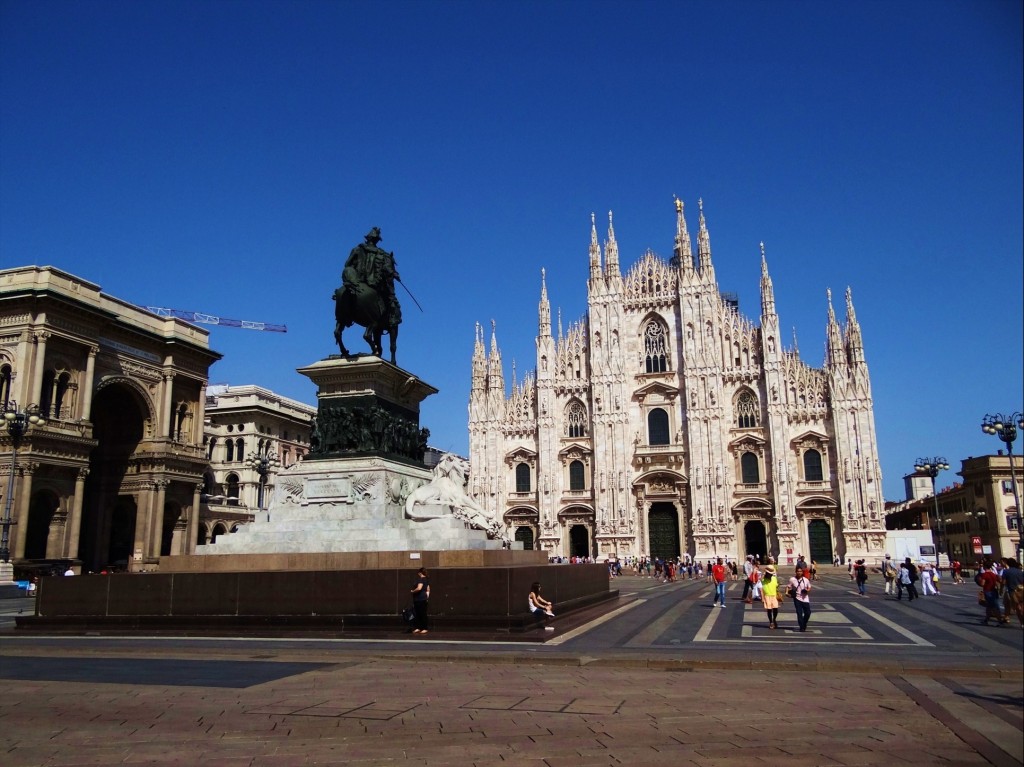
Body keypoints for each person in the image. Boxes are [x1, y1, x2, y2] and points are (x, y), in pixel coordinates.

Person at [342, 226, 402, 327]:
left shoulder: (357, 249)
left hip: (357, 280)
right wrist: (395, 274)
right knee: (390, 295)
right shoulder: (382, 254)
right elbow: (388, 270)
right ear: (377, 240)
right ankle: (392, 316)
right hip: (374, 282)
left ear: (368, 238)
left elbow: (347, 264)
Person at [977, 561, 1006, 626]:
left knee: (994, 606)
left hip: (988, 591)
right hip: (994, 591)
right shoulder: (993, 574)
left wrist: (979, 580)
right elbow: (997, 582)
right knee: (989, 606)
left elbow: (982, 584)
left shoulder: (985, 574)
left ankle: (1000, 621)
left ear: (984, 567)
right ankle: (986, 620)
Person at [1000, 558, 1024, 628]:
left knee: (1017, 607)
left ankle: (1022, 623)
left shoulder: (1006, 571)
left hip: (1012, 591)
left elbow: (1003, 582)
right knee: (1021, 606)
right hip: (1021, 590)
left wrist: (1001, 589)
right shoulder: (1020, 571)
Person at [788, 566, 812, 631]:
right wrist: (788, 593)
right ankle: (802, 627)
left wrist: (807, 590)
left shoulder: (805, 580)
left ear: (802, 572)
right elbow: (788, 587)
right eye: (798, 571)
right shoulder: (792, 579)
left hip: (805, 598)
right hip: (797, 598)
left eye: (800, 571)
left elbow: (809, 587)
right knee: (799, 613)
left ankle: (804, 623)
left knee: (808, 613)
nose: (799, 572)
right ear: (796, 572)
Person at [410, 566, 430, 634]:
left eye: (418, 572)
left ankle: (423, 628)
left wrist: (413, 591)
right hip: (423, 599)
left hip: (419, 599)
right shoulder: (426, 579)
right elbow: (428, 589)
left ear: (420, 573)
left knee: (419, 614)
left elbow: (419, 588)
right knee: (422, 613)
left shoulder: (421, 579)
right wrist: (427, 597)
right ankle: (420, 628)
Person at [762, 565, 780, 629]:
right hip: (767, 596)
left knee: (776, 609)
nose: (770, 575)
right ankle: (771, 622)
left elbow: (776, 586)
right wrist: (762, 597)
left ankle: (774, 619)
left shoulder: (774, 578)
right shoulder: (763, 579)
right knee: (769, 610)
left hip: (774, 595)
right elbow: (760, 583)